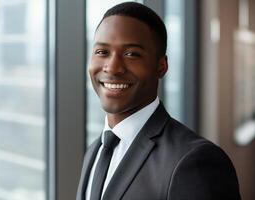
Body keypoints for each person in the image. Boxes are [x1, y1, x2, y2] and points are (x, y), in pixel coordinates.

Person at [76, 2, 241, 200]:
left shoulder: (195, 161)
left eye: (131, 54)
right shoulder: (95, 151)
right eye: (102, 52)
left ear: (161, 66)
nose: (112, 68)